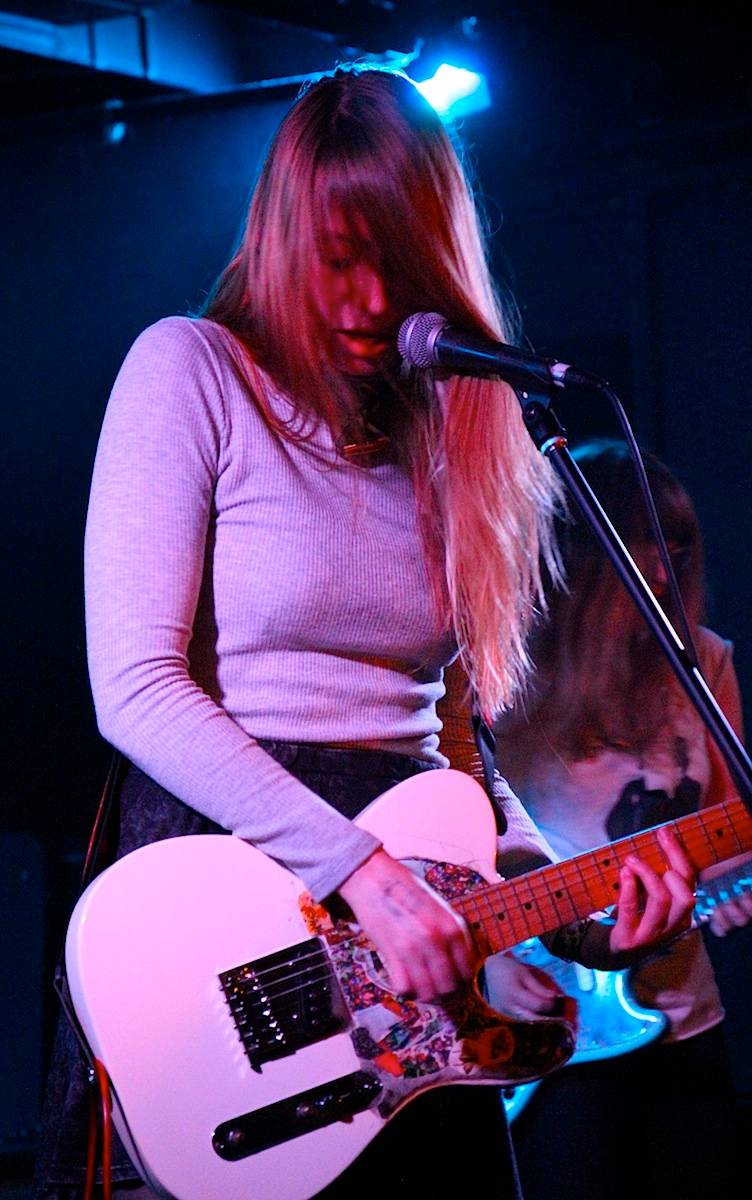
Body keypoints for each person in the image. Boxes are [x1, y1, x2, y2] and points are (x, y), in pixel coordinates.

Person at [34, 70, 697, 1200]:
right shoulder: (191, 371)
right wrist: (365, 876)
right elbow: (134, 686)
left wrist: (577, 903)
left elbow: (452, 746)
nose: (367, 296)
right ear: (281, 234)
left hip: (411, 965)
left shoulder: (454, 437)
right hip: (229, 895)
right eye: (338, 254)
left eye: (398, 260)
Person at [489, 439, 752, 1200]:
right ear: (583, 550)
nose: (666, 572)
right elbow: (457, 856)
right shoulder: (505, 681)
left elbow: (731, 829)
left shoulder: (704, 662)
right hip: (552, 1026)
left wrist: (734, 889)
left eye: (679, 546)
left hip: (681, 1014)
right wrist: (490, 970)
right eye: (645, 546)